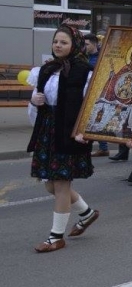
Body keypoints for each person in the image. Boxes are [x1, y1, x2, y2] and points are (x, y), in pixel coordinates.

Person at [27, 24, 99, 252]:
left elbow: (91, 105)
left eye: (63, 42)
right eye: (56, 41)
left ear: (74, 45)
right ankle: (87, 213)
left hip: (69, 130)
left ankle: (56, 237)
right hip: (48, 129)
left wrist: (85, 131)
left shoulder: (84, 71)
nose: (58, 45)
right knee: (51, 185)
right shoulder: (46, 70)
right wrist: (34, 101)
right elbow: (39, 98)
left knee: (60, 184)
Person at [83, 33, 110, 158]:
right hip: (86, 92)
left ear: (94, 44)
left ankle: (102, 147)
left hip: (98, 93)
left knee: (95, 119)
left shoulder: (100, 57)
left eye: (87, 44)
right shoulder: (84, 56)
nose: (85, 47)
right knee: (91, 120)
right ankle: (101, 147)